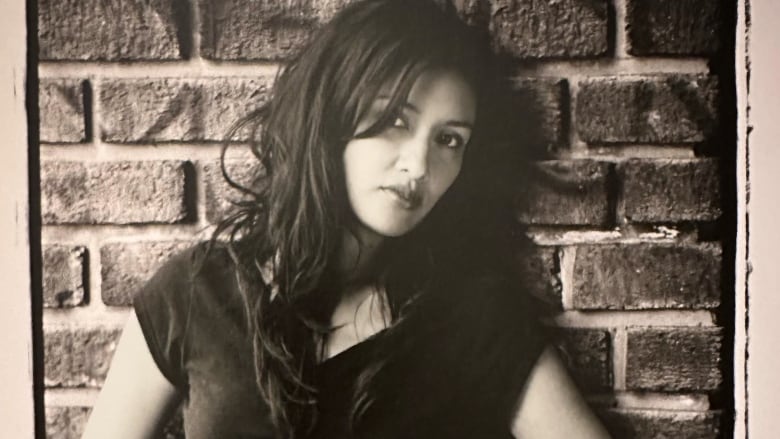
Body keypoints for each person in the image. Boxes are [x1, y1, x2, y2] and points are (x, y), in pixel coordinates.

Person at [82, 0, 611, 437]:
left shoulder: (473, 319)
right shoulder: (195, 295)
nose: (419, 165)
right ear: (331, 117)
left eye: (450, 140)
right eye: (394, 121)